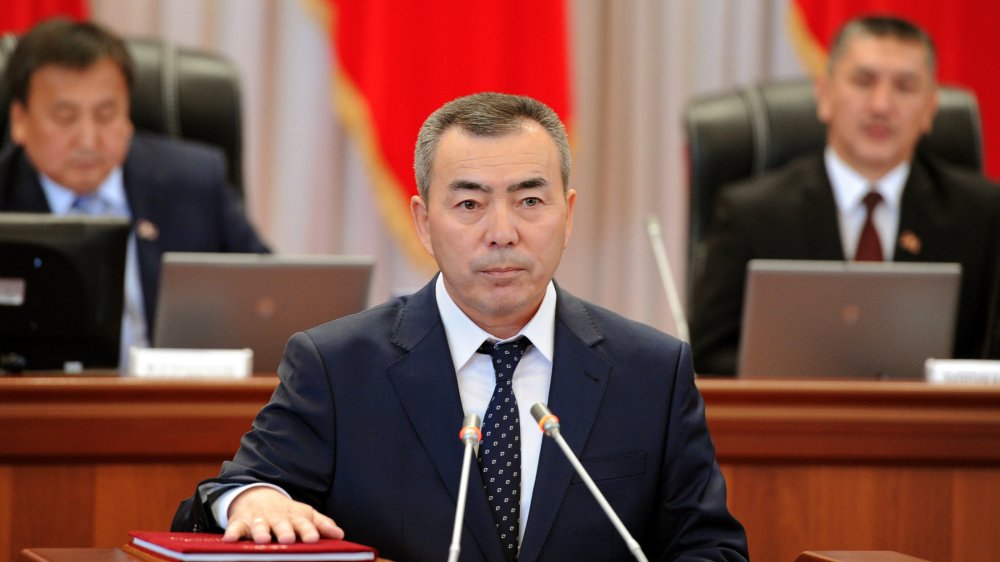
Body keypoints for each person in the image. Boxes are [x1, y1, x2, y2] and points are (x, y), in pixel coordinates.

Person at [171, 92, 748, 561]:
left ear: (568, 215)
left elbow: (711, 549)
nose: (502, 232)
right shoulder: (337, 367)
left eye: (529, 201)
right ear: (424, 222)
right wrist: (250, 499)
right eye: (470, 205)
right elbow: (226, 497)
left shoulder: (651, 372)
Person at [690, 15, 1000, 376]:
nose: (881, 105)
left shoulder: (983, 213)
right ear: (825, 95)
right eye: (864, 82)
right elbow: (708, 358)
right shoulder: (753, 214)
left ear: (930, 108)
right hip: (797, 412)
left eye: (904, 87)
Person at [0, 18, 270, 369]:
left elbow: (270, 296)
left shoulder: (194, 182)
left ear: (127, 115)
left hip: (174, 396)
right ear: (20, 121)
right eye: (65, 117)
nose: (88, 140)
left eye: (106, 114)